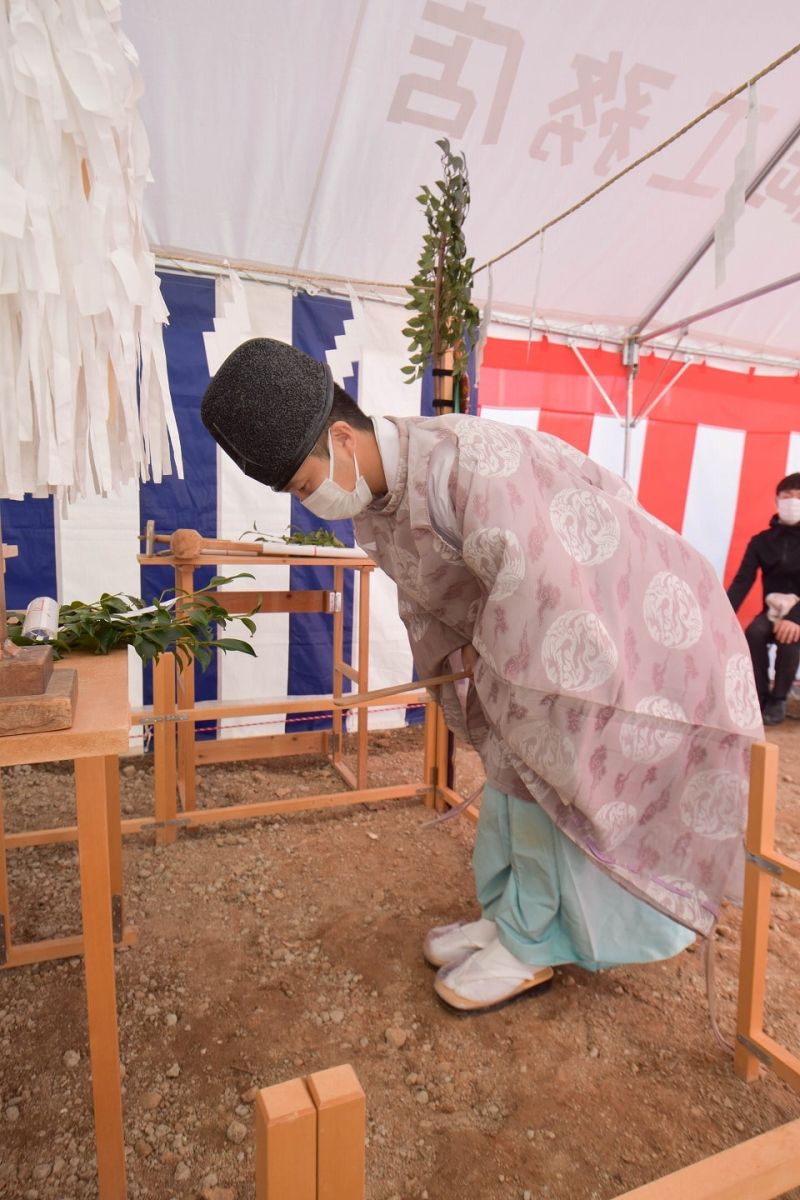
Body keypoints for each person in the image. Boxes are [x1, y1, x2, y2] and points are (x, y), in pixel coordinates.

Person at [201, 338, 761, 1013]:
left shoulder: (471, 465)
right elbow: (435, 598)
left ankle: (538, 942)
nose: (308, 498)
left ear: (342, 438)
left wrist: (495, 669)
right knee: (512, 762)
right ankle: (514, 916)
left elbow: (546, 595)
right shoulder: (383, 492)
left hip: (634, 630)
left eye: (301, 482)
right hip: (533, 645)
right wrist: (467, 670)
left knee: (553, 768)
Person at [727, 473, 800, 726]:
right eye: (788, 496)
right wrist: (723, 613)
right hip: (771, 612)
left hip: (798, 615)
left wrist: (794, 618)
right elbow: (742, 581)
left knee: (790, 638)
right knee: (755, 633)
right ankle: (759, 696)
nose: (793, 501)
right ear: (777, 501)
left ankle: (779, 699)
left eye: (799, 497)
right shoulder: (761, 541)